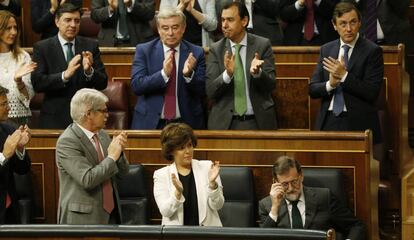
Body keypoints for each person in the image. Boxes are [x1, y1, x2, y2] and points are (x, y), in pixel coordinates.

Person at [308, 1, 383, 144]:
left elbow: (371, 92)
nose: (349, 29)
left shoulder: (372, 51)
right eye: (343, 24)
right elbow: (312, 89)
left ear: (360, 23)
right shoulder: (326, 49)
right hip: (328, 120)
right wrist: (331, 84)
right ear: (334, 25)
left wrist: (344, 76)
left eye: (353, 22)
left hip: (358, 122)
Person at [56, 88, 129, 224]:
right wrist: (112, 157)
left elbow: (123, 173)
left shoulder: (102, 135)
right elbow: (87, 179)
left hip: (111, 215)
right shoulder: (68, 141)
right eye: (103, 111)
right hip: (82, 219)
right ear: (89, 114)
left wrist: (119, 152)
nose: (107, 115)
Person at [31, 3, 108, 129]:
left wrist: (89, 71)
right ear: (57, 21)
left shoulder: (90, 46)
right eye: (68, 20)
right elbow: (37, 83)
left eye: (77, 21)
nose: (73, 25)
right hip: (54, 119)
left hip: (86, 120)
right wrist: (64, 76)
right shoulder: (42, 47)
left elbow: (103, 83)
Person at [130, 7, 206, 130]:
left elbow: (202, 90)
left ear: (183, 28)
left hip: (186, 124)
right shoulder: (144, 50)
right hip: (150, 124)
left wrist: (189, 75)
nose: (170, 33)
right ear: (159, 30)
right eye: (165, 28)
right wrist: (163, 74)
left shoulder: (196, 53)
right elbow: (137, 86)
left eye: (175, 27)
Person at [206, 1, 277, 130]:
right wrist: (227, 75)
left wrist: (258, 73)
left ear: (244, 21)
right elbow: (210, 91)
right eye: (222, 20)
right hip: (225, 124)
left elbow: (271, 85)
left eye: (230, 20)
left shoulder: (262, 45)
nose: (225, 25)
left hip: (257, 121)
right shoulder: (216, 49)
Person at [258, 156, 366, 240]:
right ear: (276, 183)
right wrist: (275, 208)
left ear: (301, 176)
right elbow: (262, 238)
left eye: (294, 182)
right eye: (285, 184)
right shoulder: (266, 205)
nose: (291, 188)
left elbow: (356, 226)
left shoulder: (324, 197)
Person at [153, 123, 224, 226]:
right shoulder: (161, 175)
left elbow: (218, 205)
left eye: (189, 145)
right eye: (181, 148)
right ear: (171, 151)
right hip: (177, 236)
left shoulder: (207, 167)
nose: (187, 151)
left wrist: (213, 185)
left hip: (207, 234)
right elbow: (166, 211)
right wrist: (177, 193)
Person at [0, 85, 31, 224]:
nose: (8, 108)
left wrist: (19, 149)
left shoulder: (9, 129)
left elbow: (22, 169)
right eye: (3, 104)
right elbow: (5, 156)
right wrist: (4, 155)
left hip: (8, 207)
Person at [0, 10, 36, 127]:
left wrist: (18, 80)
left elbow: (28, 97)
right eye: (8, 28)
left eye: (15, 28)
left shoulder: (23, 56)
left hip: (19, 120)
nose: (13, 32)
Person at [90, 0, 155, 47]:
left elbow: (150, 13)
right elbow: (94, 15)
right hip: (109, 43)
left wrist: (132, 4)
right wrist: (110, 9)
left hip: (140, 41)